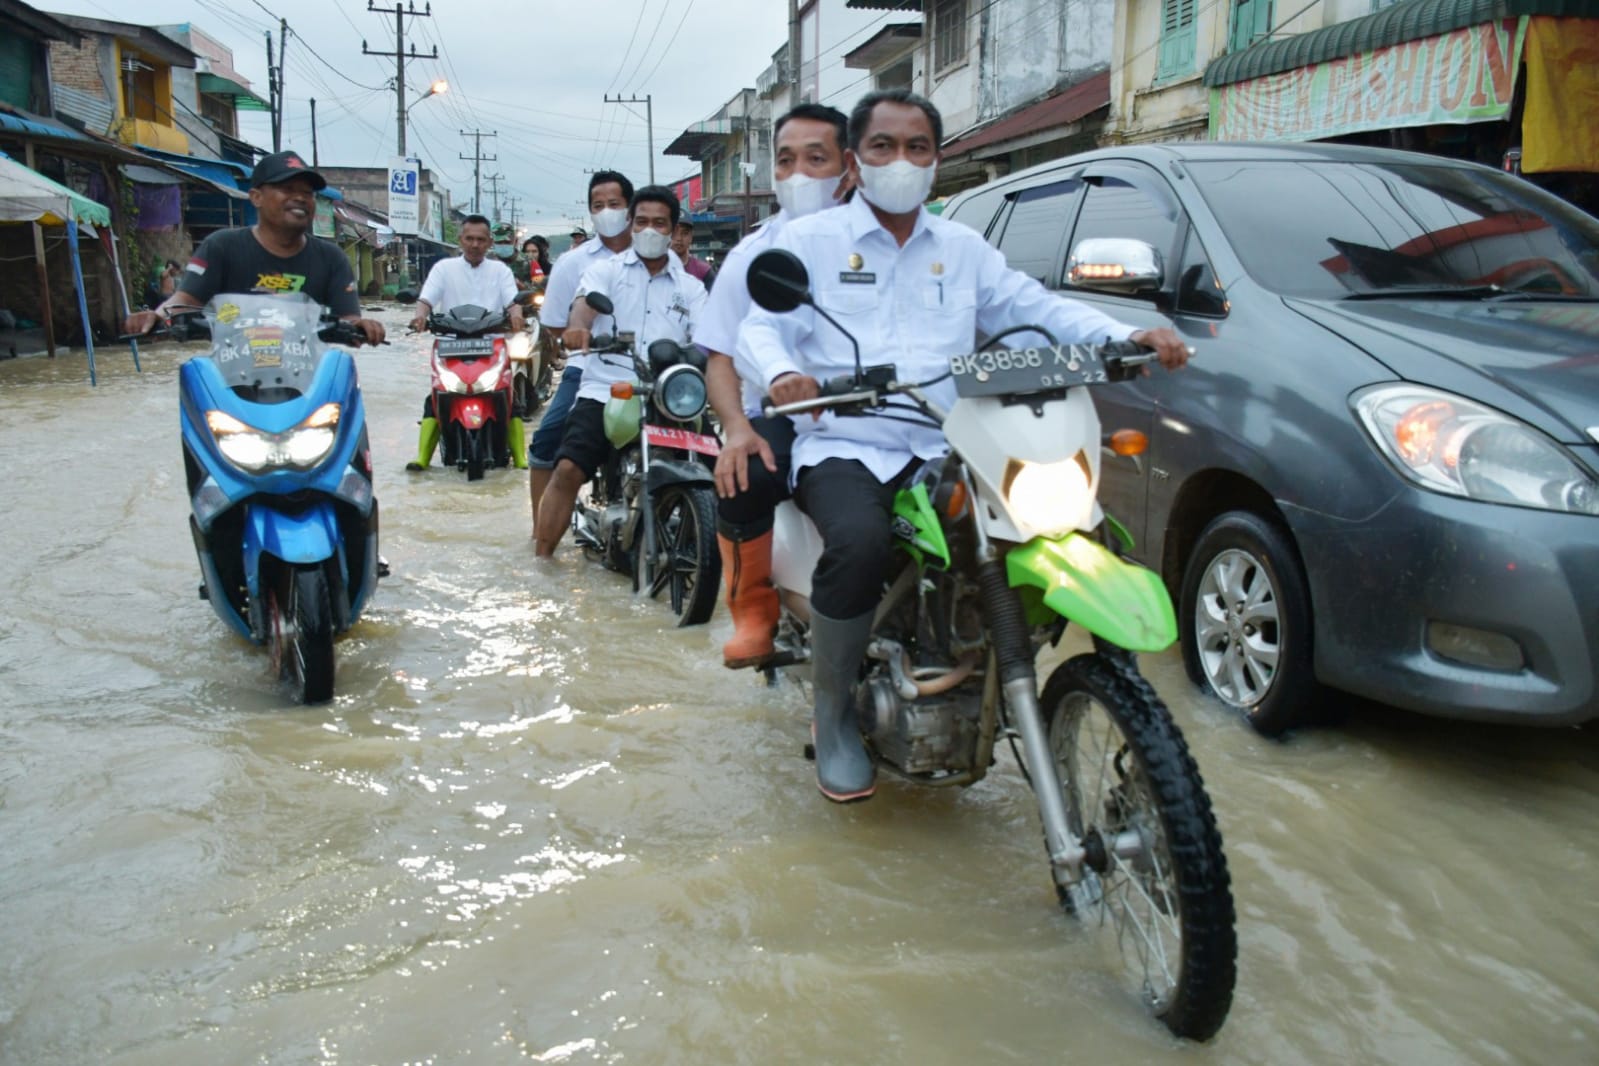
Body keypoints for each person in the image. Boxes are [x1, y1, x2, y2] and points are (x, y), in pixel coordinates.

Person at [738, 90, 1190, 804]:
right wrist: (786, 373)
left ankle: (1119, 734)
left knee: (1075, 526)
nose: (901, 161)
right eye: (883, 147)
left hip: (950, 440)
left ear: (936, 160)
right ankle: (833, 719)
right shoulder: (810, 242)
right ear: (855, 162)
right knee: (857, 542)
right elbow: (760, 328)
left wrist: (1118, 337)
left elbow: (1032, 309)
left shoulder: (963, 248)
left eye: (917, 147)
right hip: (847, 443)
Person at [695, 102, 853, 670]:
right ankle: (753, 611)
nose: (799, 175)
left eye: (816, 159)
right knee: (745, 474)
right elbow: (720, 356)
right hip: (782, 413)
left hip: (883, 411)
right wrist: (736, 428)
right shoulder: (753, 256)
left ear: (849, 167)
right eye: (786, 161)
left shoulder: (890, 240)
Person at [533, 185, 707, 557]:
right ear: (629, 223)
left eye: (659, 223)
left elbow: (708, 338)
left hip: (668, 396)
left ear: (674, 229)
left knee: (725, 470)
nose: (649, 230)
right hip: (608, 390)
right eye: (641, 221)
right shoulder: (604, 271)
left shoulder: (691, 288)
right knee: (566, 469)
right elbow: (582, 306)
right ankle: (542, 560)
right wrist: (578, 327)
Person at [123, 150, 385, 347]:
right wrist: (158, 316)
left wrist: (362, 326)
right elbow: (185, 300)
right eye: (287, 189)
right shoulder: (221, 246)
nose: (300, 198)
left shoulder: (332, 258)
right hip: (233, 380)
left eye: (308, 193)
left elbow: (349, 318)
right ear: (256, 197)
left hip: (311, 385)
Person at [527, 171, 636, 532]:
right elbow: (556, 322)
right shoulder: (574, 262)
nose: (607, 211)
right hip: (588, 368)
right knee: (547, 440)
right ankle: (540, 530)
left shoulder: (657, 257)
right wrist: (581, 340)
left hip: (647, 370)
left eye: (614, 204)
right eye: (598, 205)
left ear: (630, 208)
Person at [405, 213, 527, 471]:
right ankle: (422, 458)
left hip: (492, 344)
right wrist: (419, 317)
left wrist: (517, 318)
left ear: (489, 242)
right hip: (450, 344)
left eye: (480, 240)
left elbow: (513, 302)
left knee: (509, 395)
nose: (475, 244)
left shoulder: (500, 270)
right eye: (469, 238)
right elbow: (426, 299)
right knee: (435, 396)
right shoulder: (443, 269)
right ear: (460, 240)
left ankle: (521, 459)